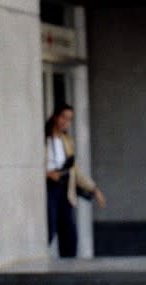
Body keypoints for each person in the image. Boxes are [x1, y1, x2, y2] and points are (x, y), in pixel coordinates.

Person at [44, 103, 107, 257]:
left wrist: (94, 189)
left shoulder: (67, 141)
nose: (66, 122)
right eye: (64, 118)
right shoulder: (43, 140)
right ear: (55, 117)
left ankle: (68, 266)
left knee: (69, 232)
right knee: (49, 228)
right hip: (48, 188)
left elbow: (75, 171)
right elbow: (30, 166)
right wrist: (47, 174)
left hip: (65, 188)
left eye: (70, 119)